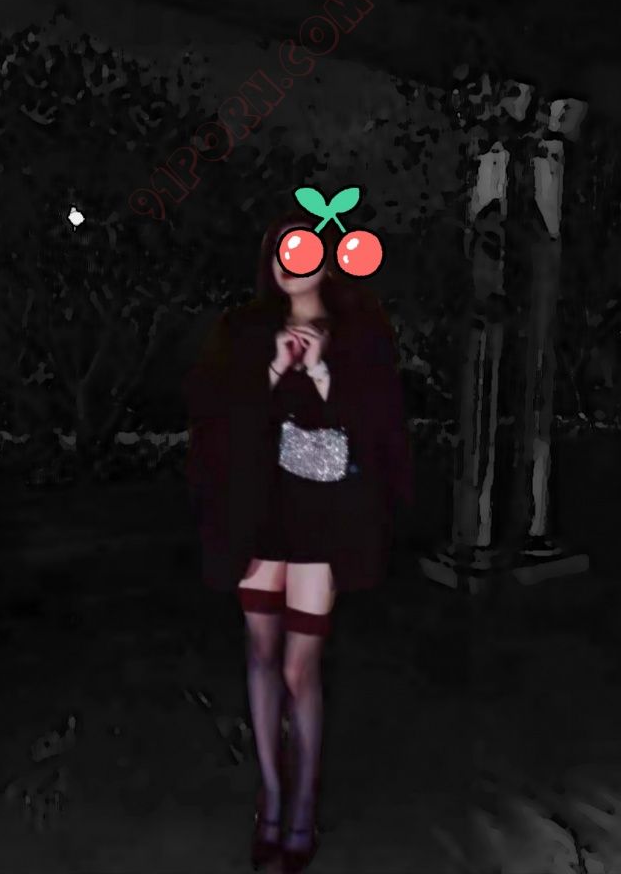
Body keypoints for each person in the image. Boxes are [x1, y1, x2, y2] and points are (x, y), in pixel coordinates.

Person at [182, 207, 414, 872]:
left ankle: (303, 808)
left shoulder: (360, 329)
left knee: (298, 667)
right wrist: (269, 374)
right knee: (260, 655)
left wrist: (320, 376)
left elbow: (380, 425)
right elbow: (213, 415)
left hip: (324, 520)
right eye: (284, 248)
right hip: (258, 514)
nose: (293, 260)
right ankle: (273, 800)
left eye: (306, 247)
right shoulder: (243, 329)